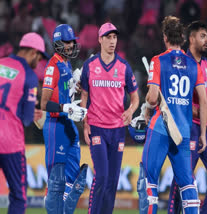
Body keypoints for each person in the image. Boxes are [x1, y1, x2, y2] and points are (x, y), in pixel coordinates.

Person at [137, 16, 207, 214]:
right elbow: (203, 101)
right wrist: (202, 133)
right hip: (183, 131)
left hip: (160, 127)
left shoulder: (158, 60)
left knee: (148, 180)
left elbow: (152, 98)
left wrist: (147, 107)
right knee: (187, 184)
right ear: (183, 38)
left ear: (165, 37)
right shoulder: (194, 65)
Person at [0, 32, 47, 213]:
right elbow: (25, 118)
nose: (38, 63)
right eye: (39, 58)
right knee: (18, 197)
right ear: (33, 52)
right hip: (9, 142)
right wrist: (34, 113)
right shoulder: (29, 76)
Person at [168, 21, 207, 214]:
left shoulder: (206, 64)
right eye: (202, 36)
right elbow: (180, 101)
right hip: (187, 128)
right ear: (191, 38)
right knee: (183, 177)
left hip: (204, 129)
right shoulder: (181, 63)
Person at [80, 22, 139, 214]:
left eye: (114, 37)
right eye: (108, 37)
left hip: (117, 130)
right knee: (102, 176)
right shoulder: (89, 65)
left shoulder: (124, 66)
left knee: (113, 181)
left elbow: (136, 97)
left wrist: (130, 111)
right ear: (100, 39)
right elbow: (84, 98)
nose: (112, 41)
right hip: (97, 127)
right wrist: (85, 124)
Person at [40, 24, 88, 214]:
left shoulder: (66, 63)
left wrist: (73, 88)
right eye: (68, 42)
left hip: (67, 125)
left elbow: (63, 95)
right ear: (58, 43)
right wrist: (65, 107)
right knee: (56, 182)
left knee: (73, 178)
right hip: (55, 125)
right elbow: (44, 103)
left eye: (72, 41)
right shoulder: (53, 66)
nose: (71, 45)